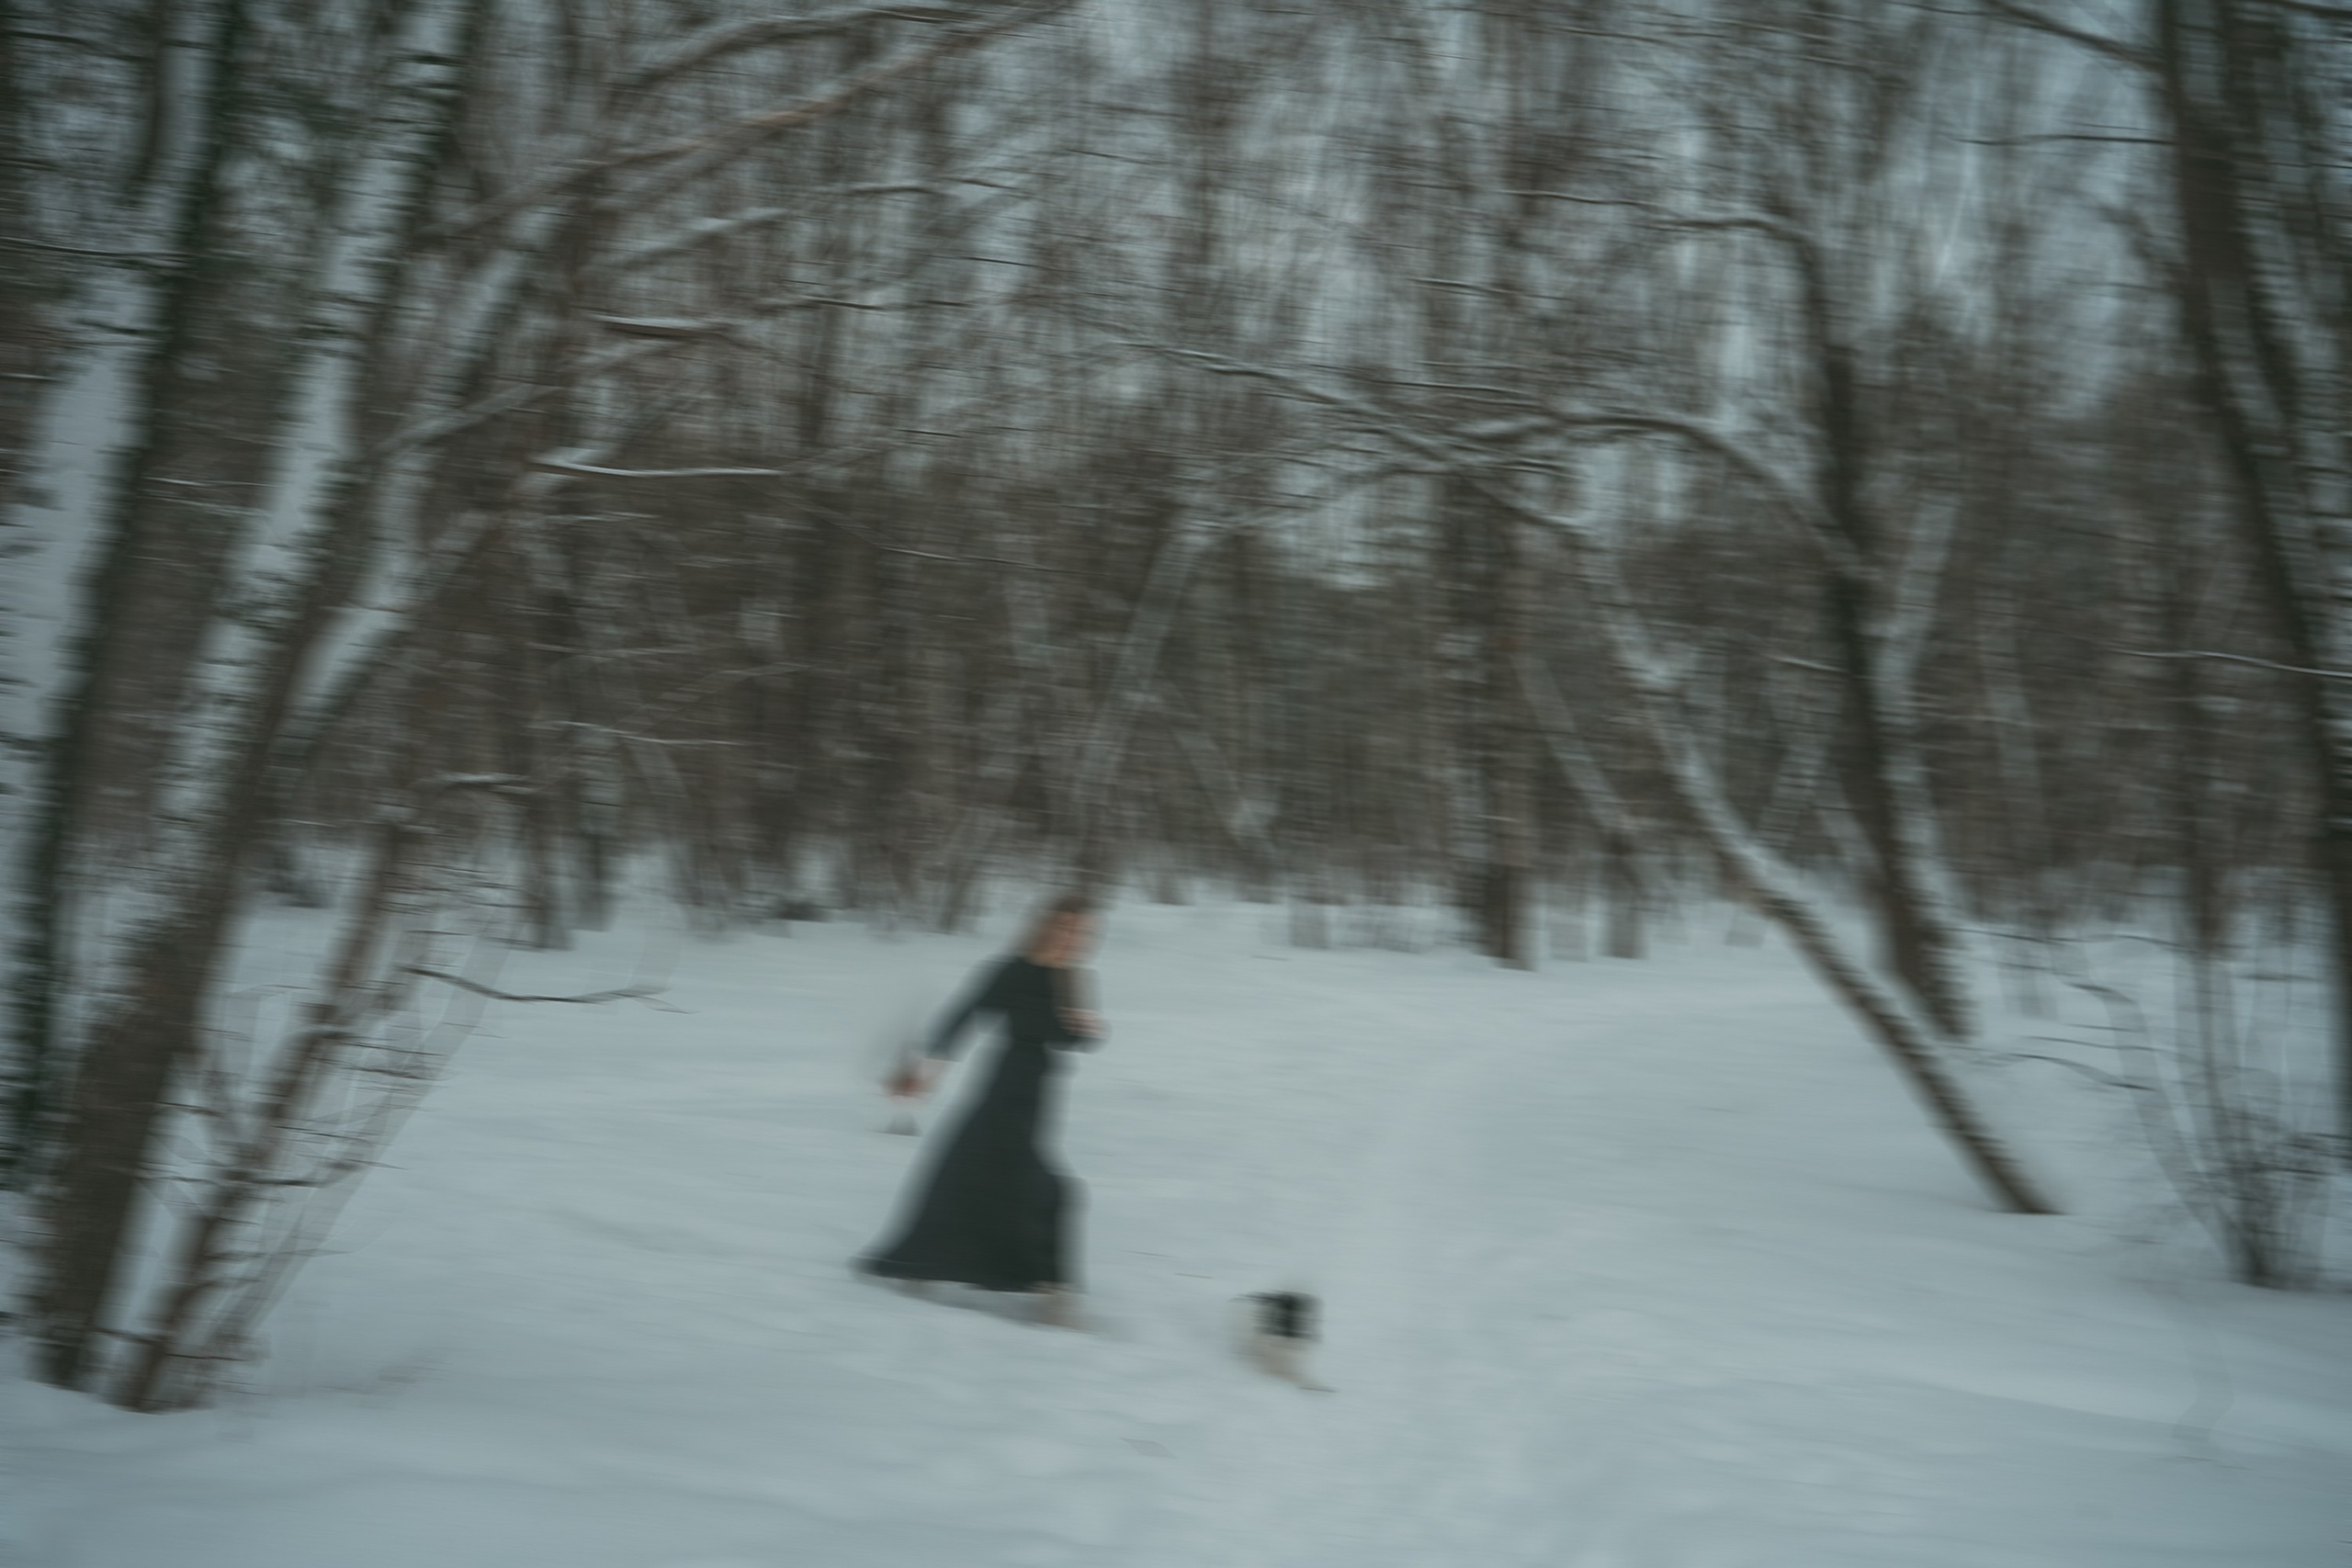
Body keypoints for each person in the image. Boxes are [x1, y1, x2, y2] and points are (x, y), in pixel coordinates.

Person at [854, 894, 1104, 1327]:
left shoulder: (1073, 979)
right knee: (1044, 1187)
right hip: (1005, 1089)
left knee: (970, 1175)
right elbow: (962, 1016)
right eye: (1065, 928)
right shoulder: (1011, 969)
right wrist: (924, 1072)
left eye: (1083, 932)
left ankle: (928, 1262)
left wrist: (1088, 1029)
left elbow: (1068, 1039)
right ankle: (1052, 1287)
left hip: (1041, 1095)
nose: (1074, 939)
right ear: (1045, 927)